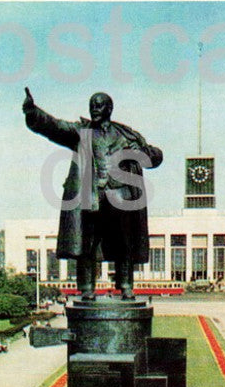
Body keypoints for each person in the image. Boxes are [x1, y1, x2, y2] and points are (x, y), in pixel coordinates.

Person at [23, 88, 163, 301]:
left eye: (99, 106)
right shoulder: (82, 132)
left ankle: (126, 286)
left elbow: (156, 157)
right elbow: (54, 126)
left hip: (122, 196)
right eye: (92, 106)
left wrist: (140, 152)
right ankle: (87, 288)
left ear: (109, 108)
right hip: (92, 195)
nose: (94, 110)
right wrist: (33, 112)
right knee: (86, 242)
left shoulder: (127, 134)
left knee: (124, 242)